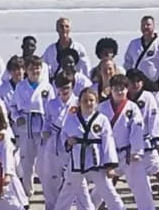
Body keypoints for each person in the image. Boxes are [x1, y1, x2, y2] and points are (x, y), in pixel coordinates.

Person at [52, 87, 123, 210]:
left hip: (97, 161)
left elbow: (108, 142)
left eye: (91, 100)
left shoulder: (102, 119)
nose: (88, 103)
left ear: (96, 102)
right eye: (85, 100)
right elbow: (64, 135)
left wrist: (110, 165)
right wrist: (68, 142)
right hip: (77, 161)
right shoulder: (71, 118)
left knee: (108, 191)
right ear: (79, 102)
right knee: (66, 193)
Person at [96, 74, 153, 210]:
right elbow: (97, 132)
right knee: (101, 188)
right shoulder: (102, 108)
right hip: (109, 154)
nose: (120, 92)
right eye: (116, 89)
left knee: (141, 188)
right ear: (111, 90)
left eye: (123, 89)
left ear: (127, 89)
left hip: (128, 154)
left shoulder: (132, 108)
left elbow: (137, 130)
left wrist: (136, 151)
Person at [11, 55, 50, 198]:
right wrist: (17, 118)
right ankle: (28, 190)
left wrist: (48, 128)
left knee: (43, 162)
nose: (35, 71)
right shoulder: (21, 86)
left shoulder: (47, 86)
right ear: (26, 70)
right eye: (32, 68)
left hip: (41, 126)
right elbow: (13, 106)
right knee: (26, 161)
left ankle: (47, 190)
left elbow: (51, 109)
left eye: (38, 68)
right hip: (26, 125)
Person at [40, 73, 76, 207]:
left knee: (70, 180)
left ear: (72, 86)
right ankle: (51, 205)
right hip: (53, 142)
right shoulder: (51, 104)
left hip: (71, 144)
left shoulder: (77, 103)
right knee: (51, 178)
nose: (64, 91)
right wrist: (45, 130)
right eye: (61, 88)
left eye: (67, 87)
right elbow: (47, 121)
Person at [123, 15, 159, 91]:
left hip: (154, 84)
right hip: (136, 84)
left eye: (148, 25)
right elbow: (128, 62)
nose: (145, 27)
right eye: (143, 25)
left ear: (154, 26)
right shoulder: (134, 44)